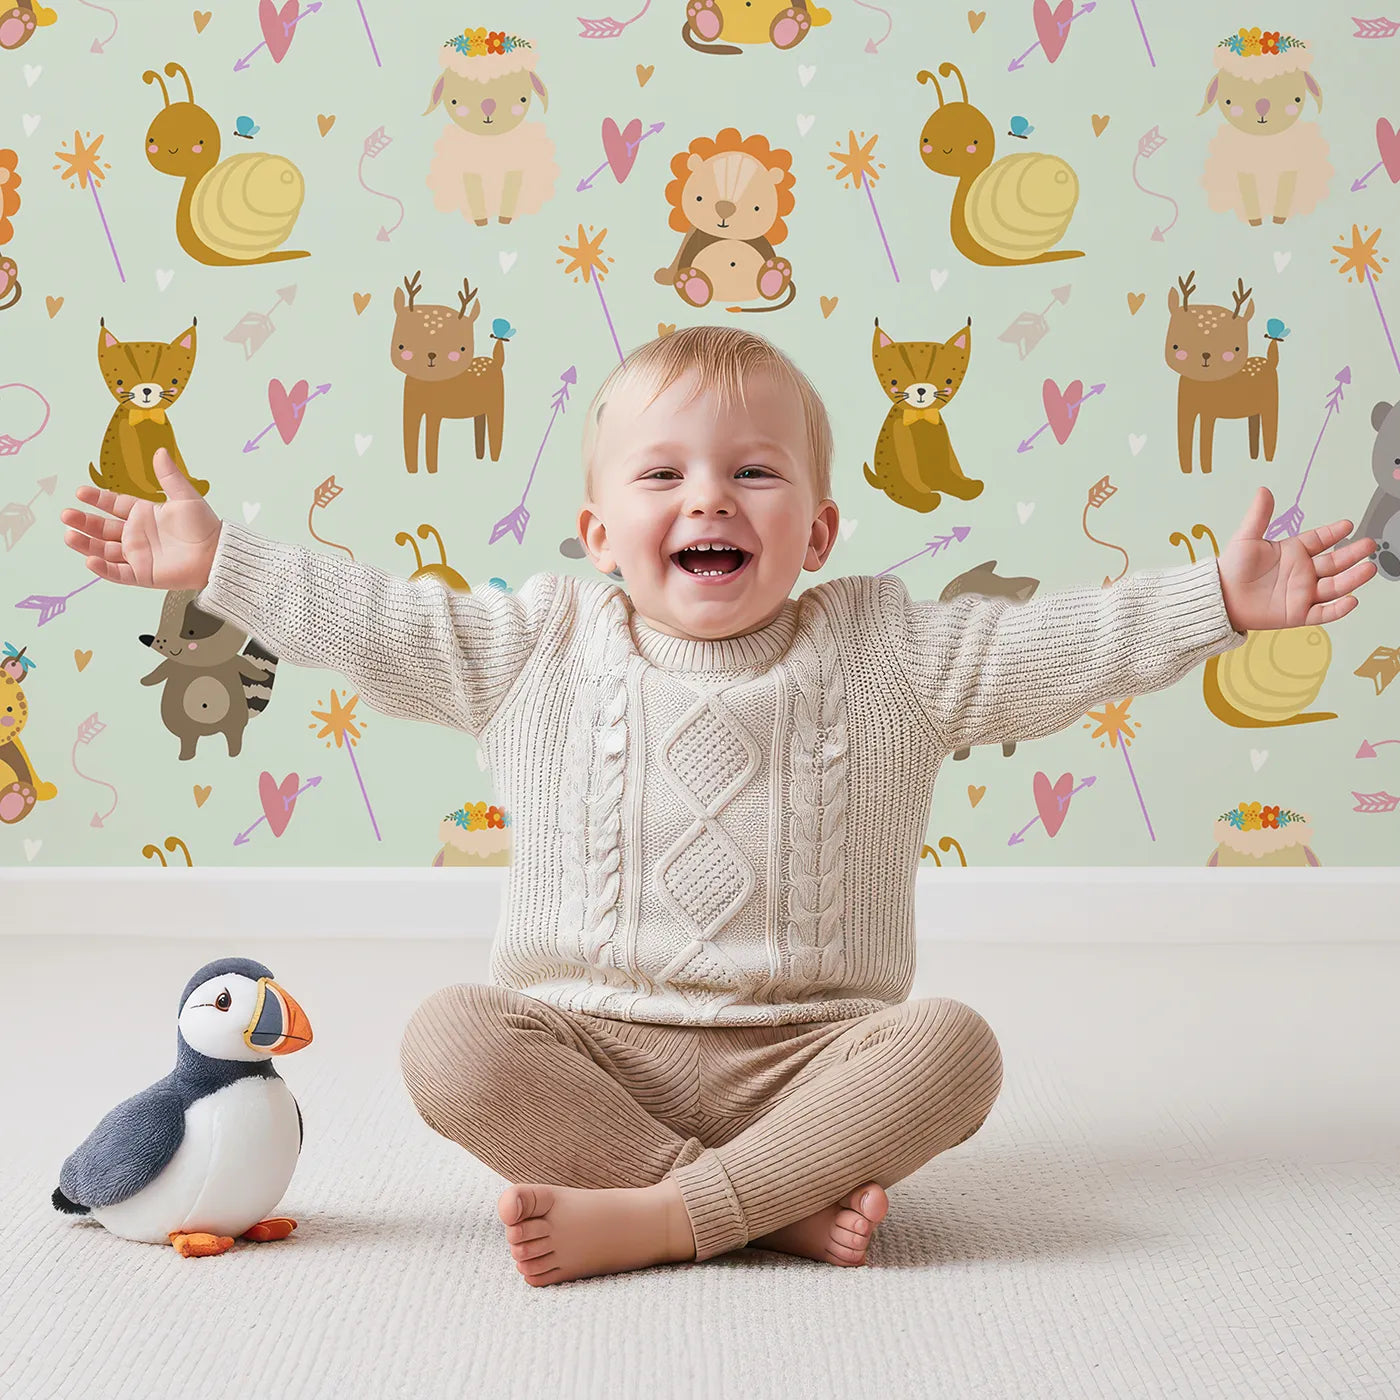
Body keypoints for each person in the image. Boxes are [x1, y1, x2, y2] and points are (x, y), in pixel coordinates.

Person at [58, 325, 1378, 1288]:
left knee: (956, 1048)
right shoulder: (535, 648)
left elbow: (1072, 644)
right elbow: (374, 617)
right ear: (594, 531)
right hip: (591, 1059)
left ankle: (673, 1215)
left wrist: (1220, 602)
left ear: (816, 533)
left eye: (754, 475)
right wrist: (223, 561)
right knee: (446, 1042)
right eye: (662, 476)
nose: (707, 497)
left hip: (817, 1059)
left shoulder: (890, 651)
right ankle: (760, 1210)